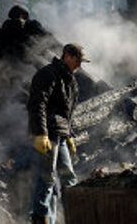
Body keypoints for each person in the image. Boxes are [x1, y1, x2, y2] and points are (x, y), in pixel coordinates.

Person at [27, 43, 90, 224]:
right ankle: (40, 218)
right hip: (49, 133)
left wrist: (70, 135)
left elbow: (67, 113)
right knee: (47, 177)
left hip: (61, 134)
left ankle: (75, 215)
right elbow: (37, 104)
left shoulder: (70, 80)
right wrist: (40, 133)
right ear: (67, 56)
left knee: (68, 177)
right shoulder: (48, 74)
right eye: (78, 60)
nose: (80, 65)